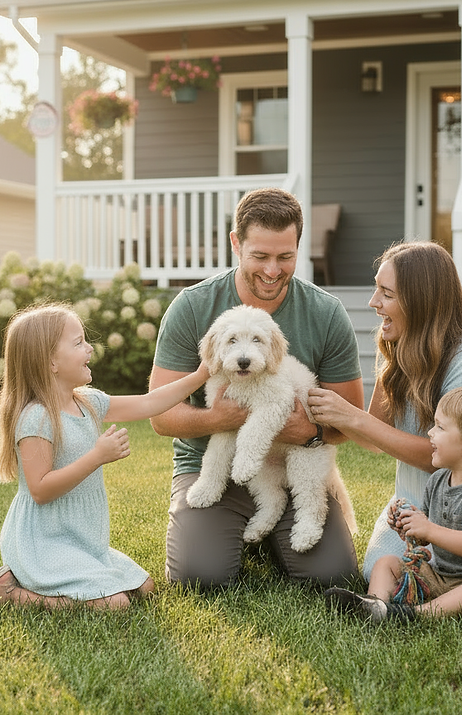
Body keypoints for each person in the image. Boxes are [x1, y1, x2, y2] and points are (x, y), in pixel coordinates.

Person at [148, 187, 364, 589]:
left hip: (293, 460)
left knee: (332, 577)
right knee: (201, 578)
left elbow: (351, 420)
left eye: (285, 257)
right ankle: (229, 527)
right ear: (236, 243)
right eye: (260, 256)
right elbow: (161, 417)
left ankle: (272, 529)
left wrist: (311, 433)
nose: (272, 270)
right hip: (211, 467)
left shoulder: (326, 313)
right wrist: (221, 418)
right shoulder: (193, 307)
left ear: (299, 245)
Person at [307, 241, 462, 587]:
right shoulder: (399, 347)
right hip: (420, 499)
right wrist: (328, 415)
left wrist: (352, 417)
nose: (374, 303)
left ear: (420, 302)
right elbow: (376, 438)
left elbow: (445, 459)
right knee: (376, 569)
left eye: (386, 293)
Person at [0, 303, 209, 610]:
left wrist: (201, 374)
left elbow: (149, 404)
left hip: (82, 540)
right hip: (44, 543)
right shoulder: (37, 418)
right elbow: (40, 490)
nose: (89, 348)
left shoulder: (89, 402)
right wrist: (96, 457)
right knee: (115, 604)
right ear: (51, 361)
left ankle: (71, 575)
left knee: (145, 587)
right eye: (78, 342)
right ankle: (6, 591)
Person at [325, 385, 462, 620]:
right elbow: (426, 538)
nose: (430, 433)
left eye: (440, 427)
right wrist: (410, 526)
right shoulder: (439, 479)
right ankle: (375, 605)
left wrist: (430, 529)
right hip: (442, 576)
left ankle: (414, 615)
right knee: (386, 563)